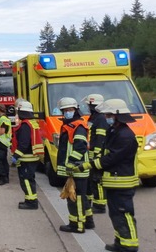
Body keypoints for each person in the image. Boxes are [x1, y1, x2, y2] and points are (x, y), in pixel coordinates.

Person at [71, 99, 139, 252]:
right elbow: (105, 152)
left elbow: (111, 158)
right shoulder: (115, 131)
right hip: (114, 181)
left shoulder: (125, 135)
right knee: (116, 214)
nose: (106, 118)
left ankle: (130, 246)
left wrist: (89, 165)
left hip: (123, 181)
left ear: (117, 115)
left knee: (124, 213)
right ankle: (120, 242)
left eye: (109, 115)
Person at [56, 97, 92, 233]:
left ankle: (76, 225)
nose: (67, 112)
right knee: (80, 197)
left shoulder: (78, 126)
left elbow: (81, 147)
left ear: (75, 110)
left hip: (77, 168)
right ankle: (87, 222)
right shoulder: (71, 125)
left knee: (74, 198)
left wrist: (71, 161)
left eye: (70, 110)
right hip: (76, 168)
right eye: (65, 110)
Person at [12, 101, 41, 209]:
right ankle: (29, 200)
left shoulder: (25, 125)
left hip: (27, 158)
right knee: (29, 179)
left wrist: (16, 156)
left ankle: (31, 202)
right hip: (31, 157)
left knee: (26, 180)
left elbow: (24, 144)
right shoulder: (32, 122)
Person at [83, 94, 108, 214]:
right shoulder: (93, 117)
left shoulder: (101, 118)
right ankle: (92, 201)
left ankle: (100, 205)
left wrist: (98, 154)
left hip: (97, 154)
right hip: (91, 152)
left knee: (97, 179)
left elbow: (100, 138)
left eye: (89, 105)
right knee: (91, 179)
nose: (88, 106)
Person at [0, 104, 11, 185]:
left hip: (1, 142)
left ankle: (2, 178)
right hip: (5, 142)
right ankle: (6, 177)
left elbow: (2, 131)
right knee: (4, 160)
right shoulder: (6, 118)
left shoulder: (3, 119)